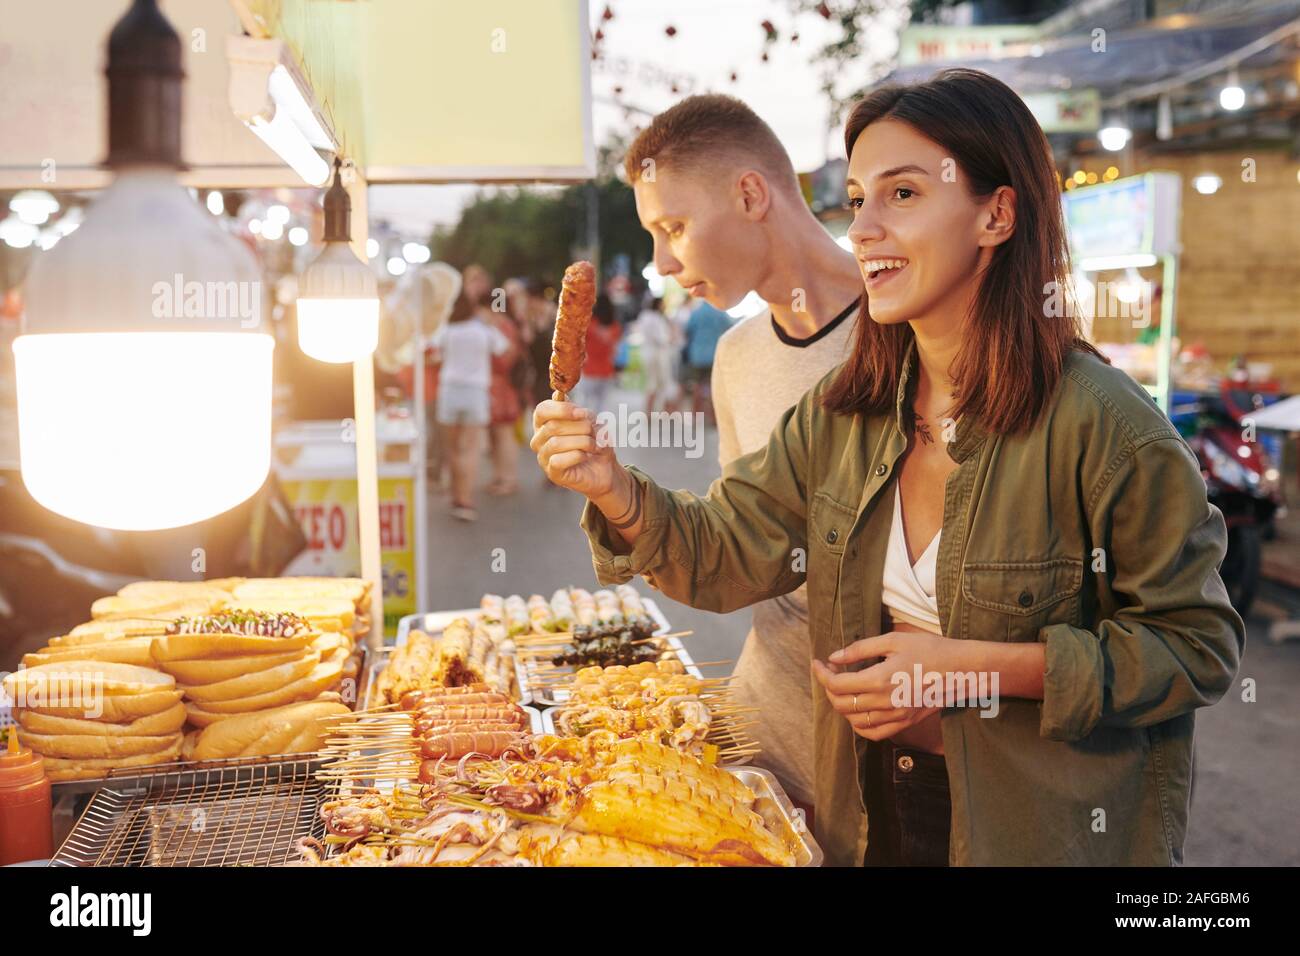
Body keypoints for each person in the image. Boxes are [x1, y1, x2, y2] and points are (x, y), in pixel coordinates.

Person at [531, 68, 1244, 866]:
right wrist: (614, 487)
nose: (864, 228)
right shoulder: (846, 415)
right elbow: (728, 551)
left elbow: (1196, 647)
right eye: (860, 198)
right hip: (871, 814)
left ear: (997, 214)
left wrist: (975, 670)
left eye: (902, 195)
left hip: (1034, 832)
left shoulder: (1106, 428)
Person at [617, 94, 865, 816]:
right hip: (761, 734)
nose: (662, 262)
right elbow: (749, 545)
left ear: (751, 194)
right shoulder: (735, 355)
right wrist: (615, 493)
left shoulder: (909, 336)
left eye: (674, 228)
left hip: (894, 760)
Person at [430, 290, 509, 521]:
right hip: (475, 392)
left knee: (453, 448)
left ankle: (457, 494)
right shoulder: (483, 331)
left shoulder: (447, 330)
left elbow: (432, 353)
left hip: (450, 391)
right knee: (471, 447)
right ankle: (466, 499)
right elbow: (504, 349)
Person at [486, 302, 524, 497]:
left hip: (501, 387)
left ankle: (508, 478)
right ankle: (500, 475)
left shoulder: (502, 327)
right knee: (496, 435)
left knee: (504, 433)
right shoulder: (501, 326)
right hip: (496, 387)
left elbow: (506, 359)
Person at [682, 299, 732, 422]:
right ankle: (714, 418)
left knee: (697, 386)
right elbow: (730, 329)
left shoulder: (696, 313)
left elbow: (687, 332)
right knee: (713, 387)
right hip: (714, 355)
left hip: (697, 355)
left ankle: (695, 415)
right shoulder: (720, 313)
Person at [633, 296, 679, 415]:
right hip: (657, 353)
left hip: (648, 352)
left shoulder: (645, 316)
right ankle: (657, 410)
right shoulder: (656, 318)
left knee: (653, 383)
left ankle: (650, 410)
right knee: (658, 383)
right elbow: (661, 338)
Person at [579, 294, 621, 414]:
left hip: (589, 369)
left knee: (584, 404)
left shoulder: (589, 324)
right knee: (601, 406)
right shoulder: (615, 327)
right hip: (606, 370)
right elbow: (615, 349)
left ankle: (585, 430)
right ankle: (597, 430)